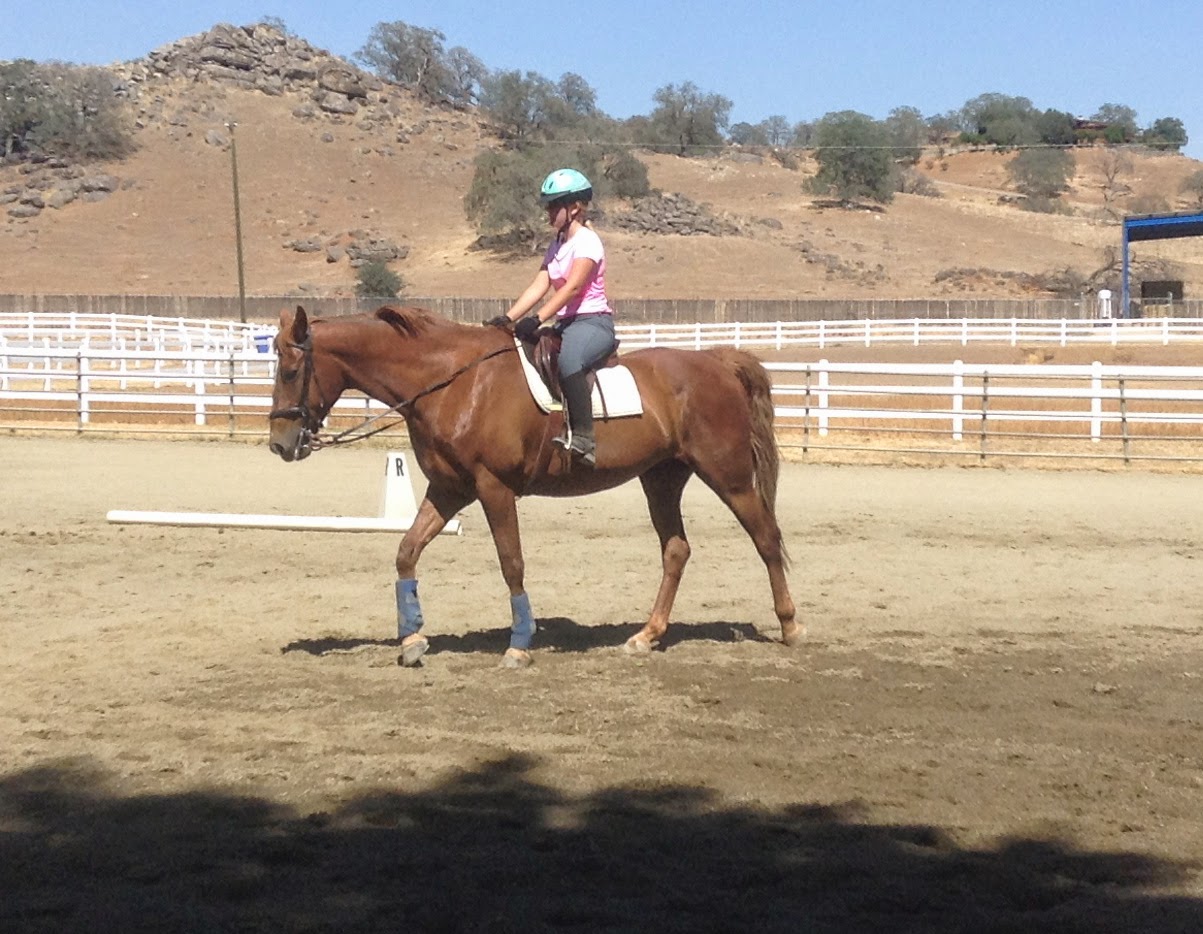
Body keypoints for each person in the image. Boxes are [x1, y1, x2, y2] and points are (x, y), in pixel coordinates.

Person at [486, 168, 616, 467]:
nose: (548, 212)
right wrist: (507, 318)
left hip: (592, 322)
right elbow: (540, 284)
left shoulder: (588, 241)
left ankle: (584, 437)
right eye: (548, 205)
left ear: (575, 208)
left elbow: (572, 287)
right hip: (565, 324)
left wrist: (538, 318)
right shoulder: (557, 243)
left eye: (554, 205)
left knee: (570, 361)